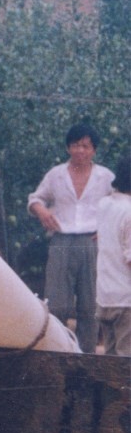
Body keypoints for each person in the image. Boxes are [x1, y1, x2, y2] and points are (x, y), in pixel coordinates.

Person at [28, 123, 113, 352]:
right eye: (75, 145)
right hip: (61, 242)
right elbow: (35, 199)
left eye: (85, 146)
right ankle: (58, 353)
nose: (80, 151)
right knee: (56, 304)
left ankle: (86, 358)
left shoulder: (105, 177)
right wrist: (42, 212)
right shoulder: (56, 175)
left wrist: (107, 229)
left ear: (94, 150)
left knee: (90, 306)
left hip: (92, 244)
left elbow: (121, 205)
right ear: (68, 148)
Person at [95, 152, 131, 356]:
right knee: (127, 364)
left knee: (109, 364)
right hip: (127, 301)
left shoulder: (104, 205)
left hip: (105, 298)